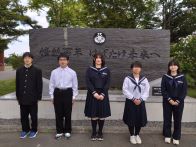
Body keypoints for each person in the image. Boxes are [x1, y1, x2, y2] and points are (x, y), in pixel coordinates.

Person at [49, 53, 78, 139]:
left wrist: (73, 97)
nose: (62, 61)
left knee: (68, 113)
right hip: (57, 93)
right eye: (61, 60)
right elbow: (51, 85)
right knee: (58, 113)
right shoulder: (54, 72)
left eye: (64, 60)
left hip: (68, 93)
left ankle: (68, 131)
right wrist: (52, 96)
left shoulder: (72, 72)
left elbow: (75, 86)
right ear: (58, 61)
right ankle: (59, 131)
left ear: (67, 61)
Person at [84, 53, 111, 141]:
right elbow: (88, 82)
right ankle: (94, 132)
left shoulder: (107, 70)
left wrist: (103, 94)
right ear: (94, 60)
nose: (98, 59)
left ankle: (100, 132)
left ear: (102, 60)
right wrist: (94, 93)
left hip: (103, 94)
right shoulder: (89, 70)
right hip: (93, 94)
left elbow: (108, 83)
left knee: (102, 115)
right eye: (97, 58)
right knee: (94, 115)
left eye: (100, 58)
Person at [16, 52, 43, 139]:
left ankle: (34, 130)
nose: (27, 59)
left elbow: (39, 84)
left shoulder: (37, 70)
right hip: (22, 98)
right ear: (23, 59)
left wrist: (38, 97)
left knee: (33, 116)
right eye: (25, 58)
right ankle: (25, 130)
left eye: (29, 58)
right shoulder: (19, 70)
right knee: (23, 116)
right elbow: (17, 84)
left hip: (33, 98)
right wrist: (18, 96)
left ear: (32, 59)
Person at [122, 61, 150, 144]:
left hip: (140, 102)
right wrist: (133, 99)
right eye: (135, 67)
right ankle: (132, 135)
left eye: (138, 67)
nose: (136, 68)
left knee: (139, 118)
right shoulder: (127, 78)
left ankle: (137, 134)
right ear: (132, 69)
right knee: (131, 118)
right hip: (131, 101)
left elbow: (146, 90)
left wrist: (140, 99)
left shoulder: (144, 79)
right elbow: (125, 90)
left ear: (140, 69)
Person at [161, 59, 187, 145]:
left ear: (177, 66)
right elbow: (163, 90)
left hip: (179, 102)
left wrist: (178, 100)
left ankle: (176, 136)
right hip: (167, 101)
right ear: (169, 67)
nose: (173, 66)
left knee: (177, 119)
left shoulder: (182, 77)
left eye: (175, 65)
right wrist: (170, 100)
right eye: (171, 65)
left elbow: (184, 91)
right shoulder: (165, 77)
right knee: (167, 118)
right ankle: (167, 135)